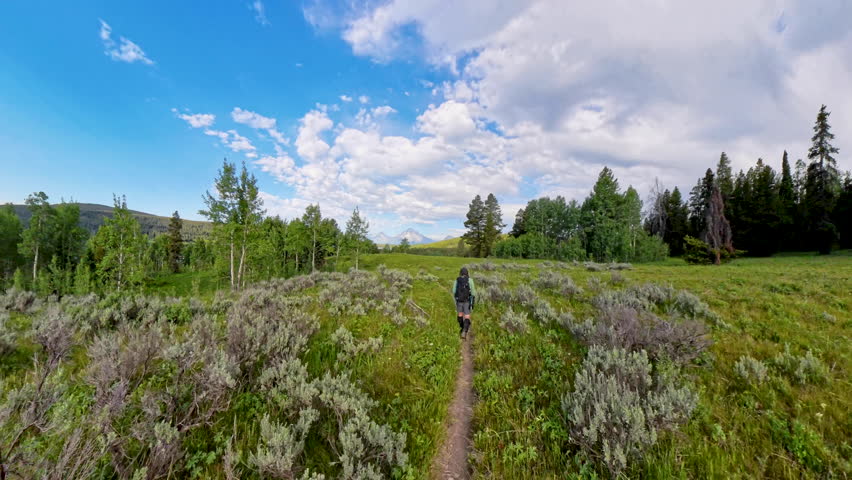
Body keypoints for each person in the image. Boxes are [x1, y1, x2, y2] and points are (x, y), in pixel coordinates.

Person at [452, 267, 476, 339]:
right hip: (467, 300)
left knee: (460, 314)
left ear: (460, 273)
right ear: (467, 273)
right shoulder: (470, 280)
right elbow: (473, 293)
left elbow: (453, 291)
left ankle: (461, 328)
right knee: (467, 315)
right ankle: (465, 331)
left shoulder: (457, 280)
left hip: (459, 300)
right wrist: (472, 302)